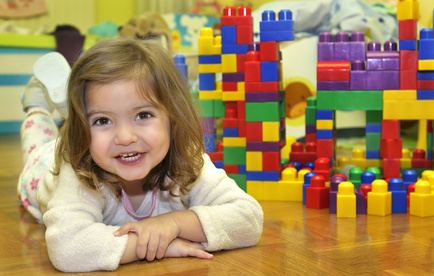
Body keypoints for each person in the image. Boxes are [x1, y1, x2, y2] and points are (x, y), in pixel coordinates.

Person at [17, 38, 264, 272]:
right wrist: (156, 246)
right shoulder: (78, 172)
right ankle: (36, 106)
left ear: (173, 117)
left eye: (143, 115)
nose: (125, 137)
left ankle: (72, 109)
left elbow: (249, 217)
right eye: (102, 119)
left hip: (98, 147)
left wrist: (175, 222)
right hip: (45, 167)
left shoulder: (187, 160)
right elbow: (68, 247)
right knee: (38, 137)